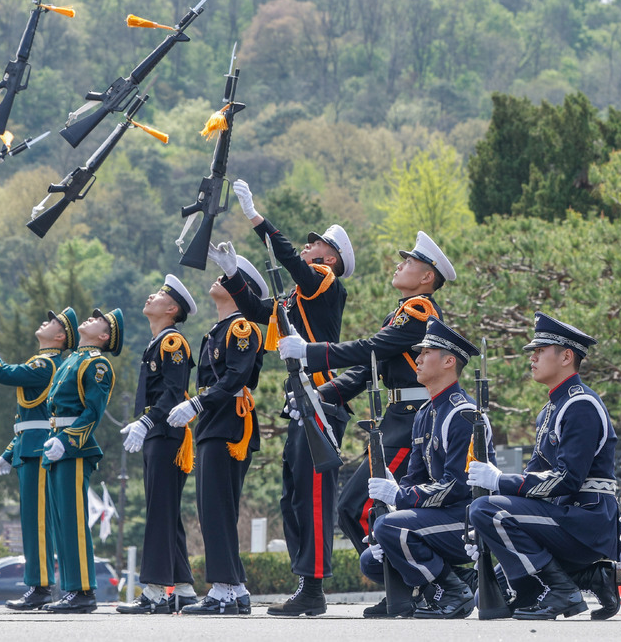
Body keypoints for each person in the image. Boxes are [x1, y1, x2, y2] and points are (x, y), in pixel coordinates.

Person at [276, 230, 455, 618]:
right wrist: (319, 396)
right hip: (394, 421)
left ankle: (437, 584)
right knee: (355, 509)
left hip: (412, 422)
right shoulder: (403, 311)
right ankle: (404, 587)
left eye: (408, 262)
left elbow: (371, 349)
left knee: (357, 507)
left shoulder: (420, 310)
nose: (399, 265)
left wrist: (311, 351)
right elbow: (365, 370)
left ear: (427, 277)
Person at [221, 179, 354, 616]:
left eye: (317, 245)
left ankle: (314, 592)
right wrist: (232, 276)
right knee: (294, 495)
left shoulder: (326, 284)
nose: (309, 248)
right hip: (302, 400)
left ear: (330, 259)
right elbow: (261, 313)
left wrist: (257, 219)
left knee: (314, 494)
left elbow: (292, 261)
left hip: (322, 398)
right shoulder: (300, 296)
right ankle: (306, 584)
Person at [466, 313, 617, 621]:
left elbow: (567, 479)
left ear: (566, 356)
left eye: (540, 350)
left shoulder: (580, 406)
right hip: (563, 518)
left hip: (586, 520)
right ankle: (591, 578)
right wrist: (481, 530)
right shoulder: (551, 409)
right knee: (489, 596)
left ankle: (562, 590)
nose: (532, 357)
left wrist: (499, 483)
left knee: (487, 510)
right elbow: (534, 476)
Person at [359, 318, 492, 619]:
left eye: (426, 352)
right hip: (439, 516)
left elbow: (457, 486)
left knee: (392, 529)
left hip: (465, 518)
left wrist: (400, 500)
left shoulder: (463, 414)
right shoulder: (425, 412)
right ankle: (445, 585)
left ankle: (451, 592)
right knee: (371, 557)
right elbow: (415, 477)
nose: (417, 359)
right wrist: (393, 506)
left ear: (448, 361)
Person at [168, 256, 267, 616]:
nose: (218, 279)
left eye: (227, 278)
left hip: (229, 426)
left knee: (218, 510)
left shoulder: (242, 328)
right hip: (216, 424)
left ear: (243, 292)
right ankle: (233, 588)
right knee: (211, 510)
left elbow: (235, 378)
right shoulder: (220, 329)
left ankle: (225, 590)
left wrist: (196, 402)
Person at [0, 307, 78, 611]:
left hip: (39, 448)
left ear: (60, 336)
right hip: (29, 447)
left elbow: (3, 373)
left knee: (38, 522)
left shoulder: (46, 364)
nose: (44, 321)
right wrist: (8, 451)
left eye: (51, 322)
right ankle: (37, 584)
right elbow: (28, 418)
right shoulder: (42, 362)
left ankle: (40, 587)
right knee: (32, 520)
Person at [116, 276, 200, 614]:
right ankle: (182, 589)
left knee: (159, 515)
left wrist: (147, 421)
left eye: (161, 294)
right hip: (158, 435)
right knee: (165, 513)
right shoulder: (158, 342)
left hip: (165, 436)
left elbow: (173, 390)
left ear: (171, 309)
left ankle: (154, 592)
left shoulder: (172, 342)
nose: (152, 295)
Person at [41, 307, 123, 613]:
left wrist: (66, 440)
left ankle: (84, 591)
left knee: (74, 521)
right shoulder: (72, 360)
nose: (90, 318)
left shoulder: (97, 364)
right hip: (58, 446)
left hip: (74, 448)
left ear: (104, 336)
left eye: (98, 320)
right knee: (62, 522)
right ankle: (72, 589)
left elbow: (93, 411)